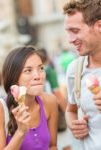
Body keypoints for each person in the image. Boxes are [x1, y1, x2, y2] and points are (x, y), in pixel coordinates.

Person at [0, 46, 58, 150]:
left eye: (41, 68)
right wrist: (21, 131)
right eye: (28, 70)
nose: (37, 76)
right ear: (14, 77)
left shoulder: (50, 101)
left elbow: (52, 145)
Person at [63, 0, 101, 149]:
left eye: (75, 31)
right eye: (68, 32)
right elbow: (71, 110)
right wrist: (74, 124)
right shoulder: (75, 69)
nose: (70, 40)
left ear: (99, 26)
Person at [38, 48, 72, 150]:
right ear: (47, 57)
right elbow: (57, 93)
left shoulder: (36, 73)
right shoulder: (49, 71)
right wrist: (68, 112)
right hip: (54, 111)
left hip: (40, 113)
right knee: (65, 144)